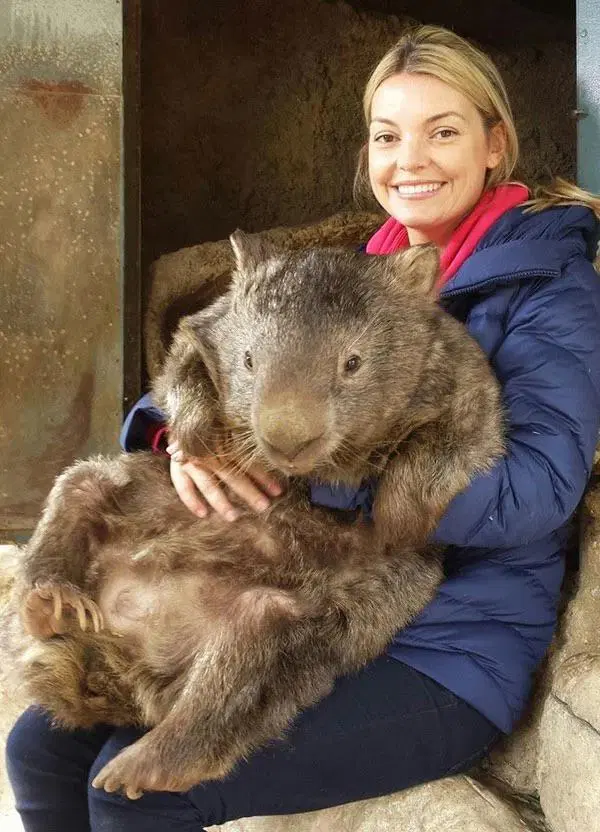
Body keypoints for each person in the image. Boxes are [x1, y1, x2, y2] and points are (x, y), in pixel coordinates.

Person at [7, 24, 600, 832]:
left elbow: (540, 489)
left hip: (446, 653)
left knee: (132, 796)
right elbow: (211, 352)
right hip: (286, 583)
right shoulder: (350, 267)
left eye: (444, 132)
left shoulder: (549, 287)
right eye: (389, 136)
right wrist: (181, 439)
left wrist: (330, 479)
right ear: (367, 152)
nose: (412, 160)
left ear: (496, 144)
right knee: (37, 749)